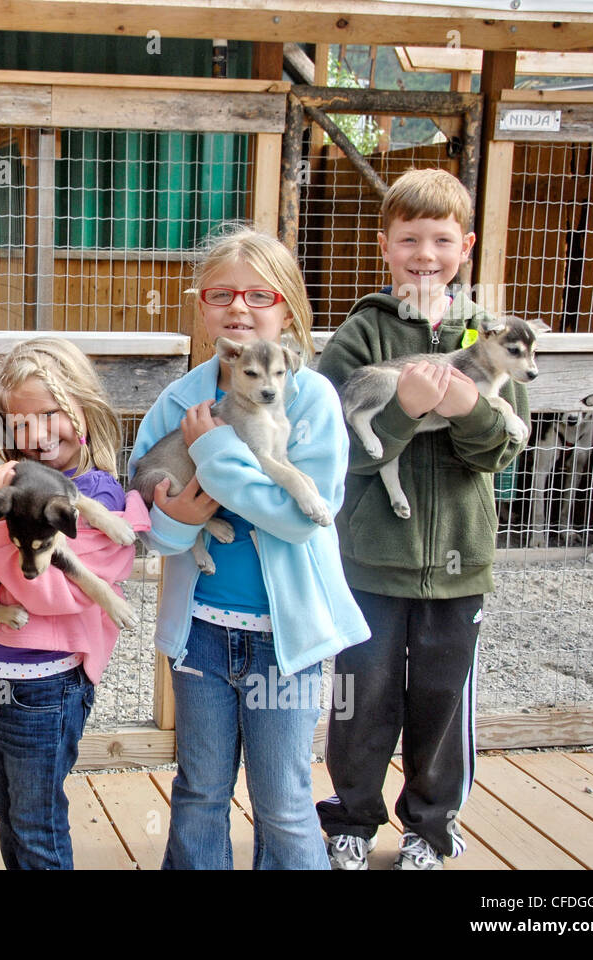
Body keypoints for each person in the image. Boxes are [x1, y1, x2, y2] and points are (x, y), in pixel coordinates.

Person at [128, 225, 369, 870]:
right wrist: (182, 519)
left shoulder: (312, 396)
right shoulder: (179, 398)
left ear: (286, 309)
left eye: (258, 294)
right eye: (221, 294)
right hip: (201, 629)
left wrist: (213, 453)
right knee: (200, 788)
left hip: (283, 637)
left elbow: (298, 520)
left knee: (284, 798)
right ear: (202, 309)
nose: (239, 306)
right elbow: (150, 517)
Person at [315, 168, 529, 870]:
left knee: (441, 704)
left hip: (459, 563)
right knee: (361, 696)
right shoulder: (361, 333)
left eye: (441, 239)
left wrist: (468, 411)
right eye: (410, 239)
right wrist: (404, 412)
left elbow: (502, 449)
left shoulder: (489, 333)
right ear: (385, 246)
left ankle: (431, 830)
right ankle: (350, 819)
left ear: (464, 245)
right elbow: (335, 448)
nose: (425, 255)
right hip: (372, 561)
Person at [0, 337, 149, 869]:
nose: (38, 434)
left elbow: (40, 591)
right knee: (7, 810)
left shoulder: (98, 495)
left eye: (52, 414)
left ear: (83, 412)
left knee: (37, 822)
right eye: (20, 422)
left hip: (45, 685)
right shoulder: (8, 486)